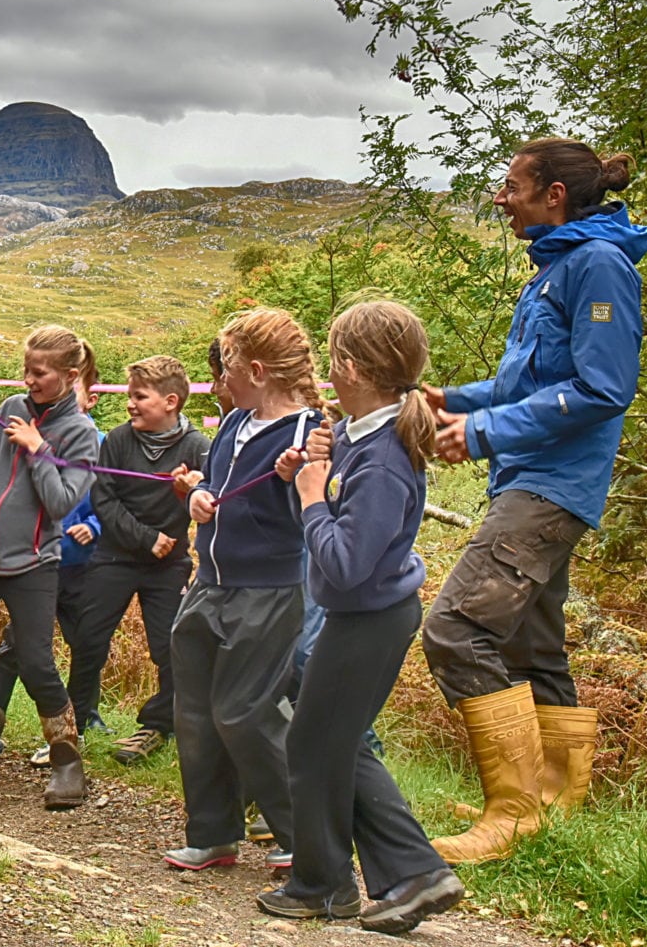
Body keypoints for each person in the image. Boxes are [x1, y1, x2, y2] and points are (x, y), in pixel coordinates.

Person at [421, 139, 647, 865]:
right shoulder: (556, 266)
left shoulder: (598, 266)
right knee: (531, 641)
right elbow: (529, 383)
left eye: (512, 185)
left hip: (550, 488)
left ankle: (511, 810)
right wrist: (452, 400)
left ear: (554, 195)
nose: (500, 196)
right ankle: (552, 801)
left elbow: (602, 389)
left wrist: (481, 431)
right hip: (529, 478)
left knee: (454, 628)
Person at [260, 299, 464, 932]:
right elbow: (329, 531)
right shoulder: (358, 434)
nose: (325, 373)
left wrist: (313, 498)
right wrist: (310, 476)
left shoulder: (383, 460)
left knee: (317, 743)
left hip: (371, 618)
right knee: (327, 742)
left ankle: (326, 886)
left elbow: (345, 563)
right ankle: (412, 874)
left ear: (349, 366)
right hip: (357, 614)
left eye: (331, 359)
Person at [164, 308, 323, 871]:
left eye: (226, 365)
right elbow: (215, 484)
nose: (218, 378)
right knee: (197, 713)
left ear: (256, 370)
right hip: (207, 586)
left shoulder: (309, 434)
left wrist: (289, 481)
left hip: (268, 592)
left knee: (244, 712)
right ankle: (212, 834)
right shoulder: (233, 423)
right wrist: (196, 496)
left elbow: (312, 513)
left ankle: (304, 837)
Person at [0, 325, 101, 810]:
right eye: (26, 370)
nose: (28, 380)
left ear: (69, 376)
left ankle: (66, 758)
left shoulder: (82, 434)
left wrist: (39, 450)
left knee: (36, 663)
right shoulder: (11, 407)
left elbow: (57, 503)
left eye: (39, 372)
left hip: (33, 564)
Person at [71, 355, 209, 766]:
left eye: (139, 396)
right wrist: (147, 539)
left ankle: (158, 726)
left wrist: (194, 491)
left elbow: (215, 494)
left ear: (170, 402)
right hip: (114, 557)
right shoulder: (116, 441)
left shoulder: (199, 447)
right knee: (89, 639)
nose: (130, 404)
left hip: (169, 567)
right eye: (130, 395)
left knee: (170, 647)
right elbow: (104, 497)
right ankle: (72, 723)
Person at [0, 368, 106, 767]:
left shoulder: (100, 445)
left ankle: (84, 720)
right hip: (38, 564)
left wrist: (93, 525)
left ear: (92, 397)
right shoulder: (36, 435)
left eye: (77, 391)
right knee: (15, 648)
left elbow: (110, 503)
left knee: (87, 646)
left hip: (80, 569)